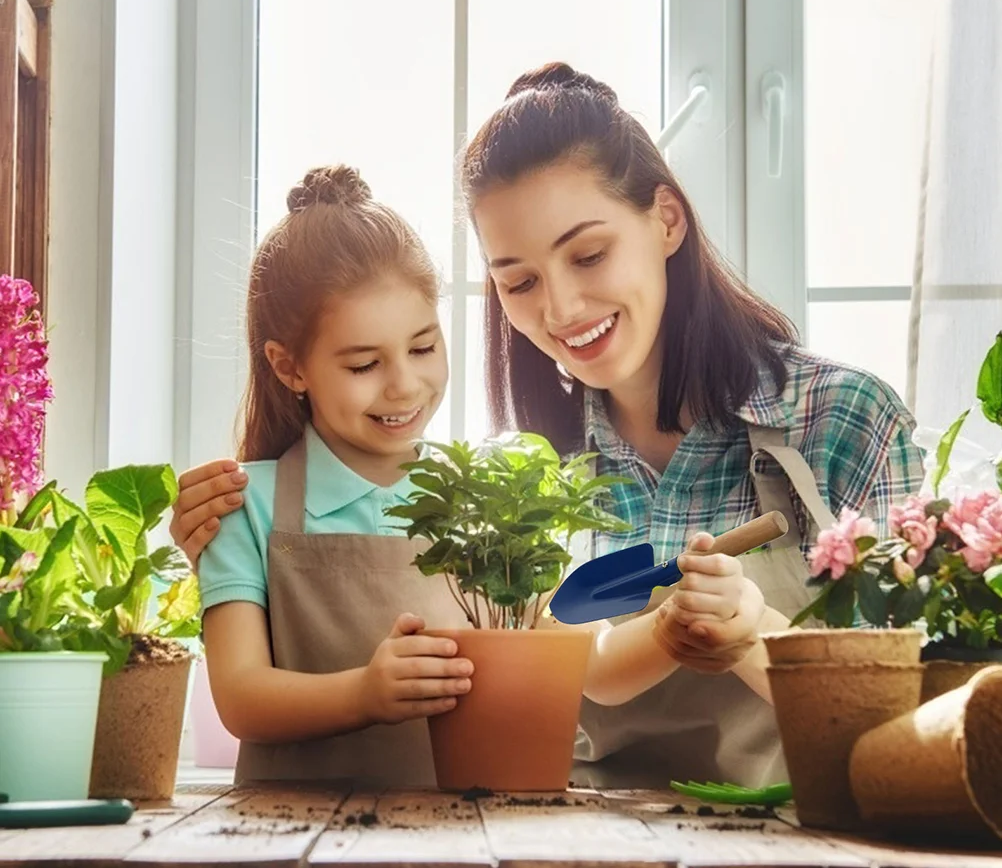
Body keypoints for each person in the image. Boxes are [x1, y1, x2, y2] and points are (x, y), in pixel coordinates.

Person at [173, 65, 925, 788]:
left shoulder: (842, 422)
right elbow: (577, 666)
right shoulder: (520, 480)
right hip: (569, 840)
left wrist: (753, 633)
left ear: (666, 219)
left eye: (589, 254)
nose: (561, 309)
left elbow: (906, 717)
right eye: (520, 281)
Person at [194, 161, 764, 789]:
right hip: (286, 836)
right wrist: (364, 693)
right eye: (363, 364)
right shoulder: (244, 508)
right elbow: (243, 698)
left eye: (422, 348)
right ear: (289, 367)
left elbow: (593, 667)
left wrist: (670, 626)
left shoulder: (485, 502)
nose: (405, 385)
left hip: (456, 838)